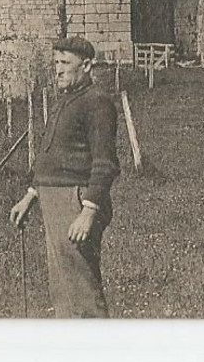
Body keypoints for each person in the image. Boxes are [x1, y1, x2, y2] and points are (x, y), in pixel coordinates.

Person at [8, 37, 120, 317]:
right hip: (53, 200)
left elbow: (105, 163)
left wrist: (88, 211)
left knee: (82, 290)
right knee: (64, 290)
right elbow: (52, 157)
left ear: (86, 65)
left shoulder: (97, 102)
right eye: (56, 62)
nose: (57, 70)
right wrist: (31, 195)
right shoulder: (64, 101)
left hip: (76, 201)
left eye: (65, 63)